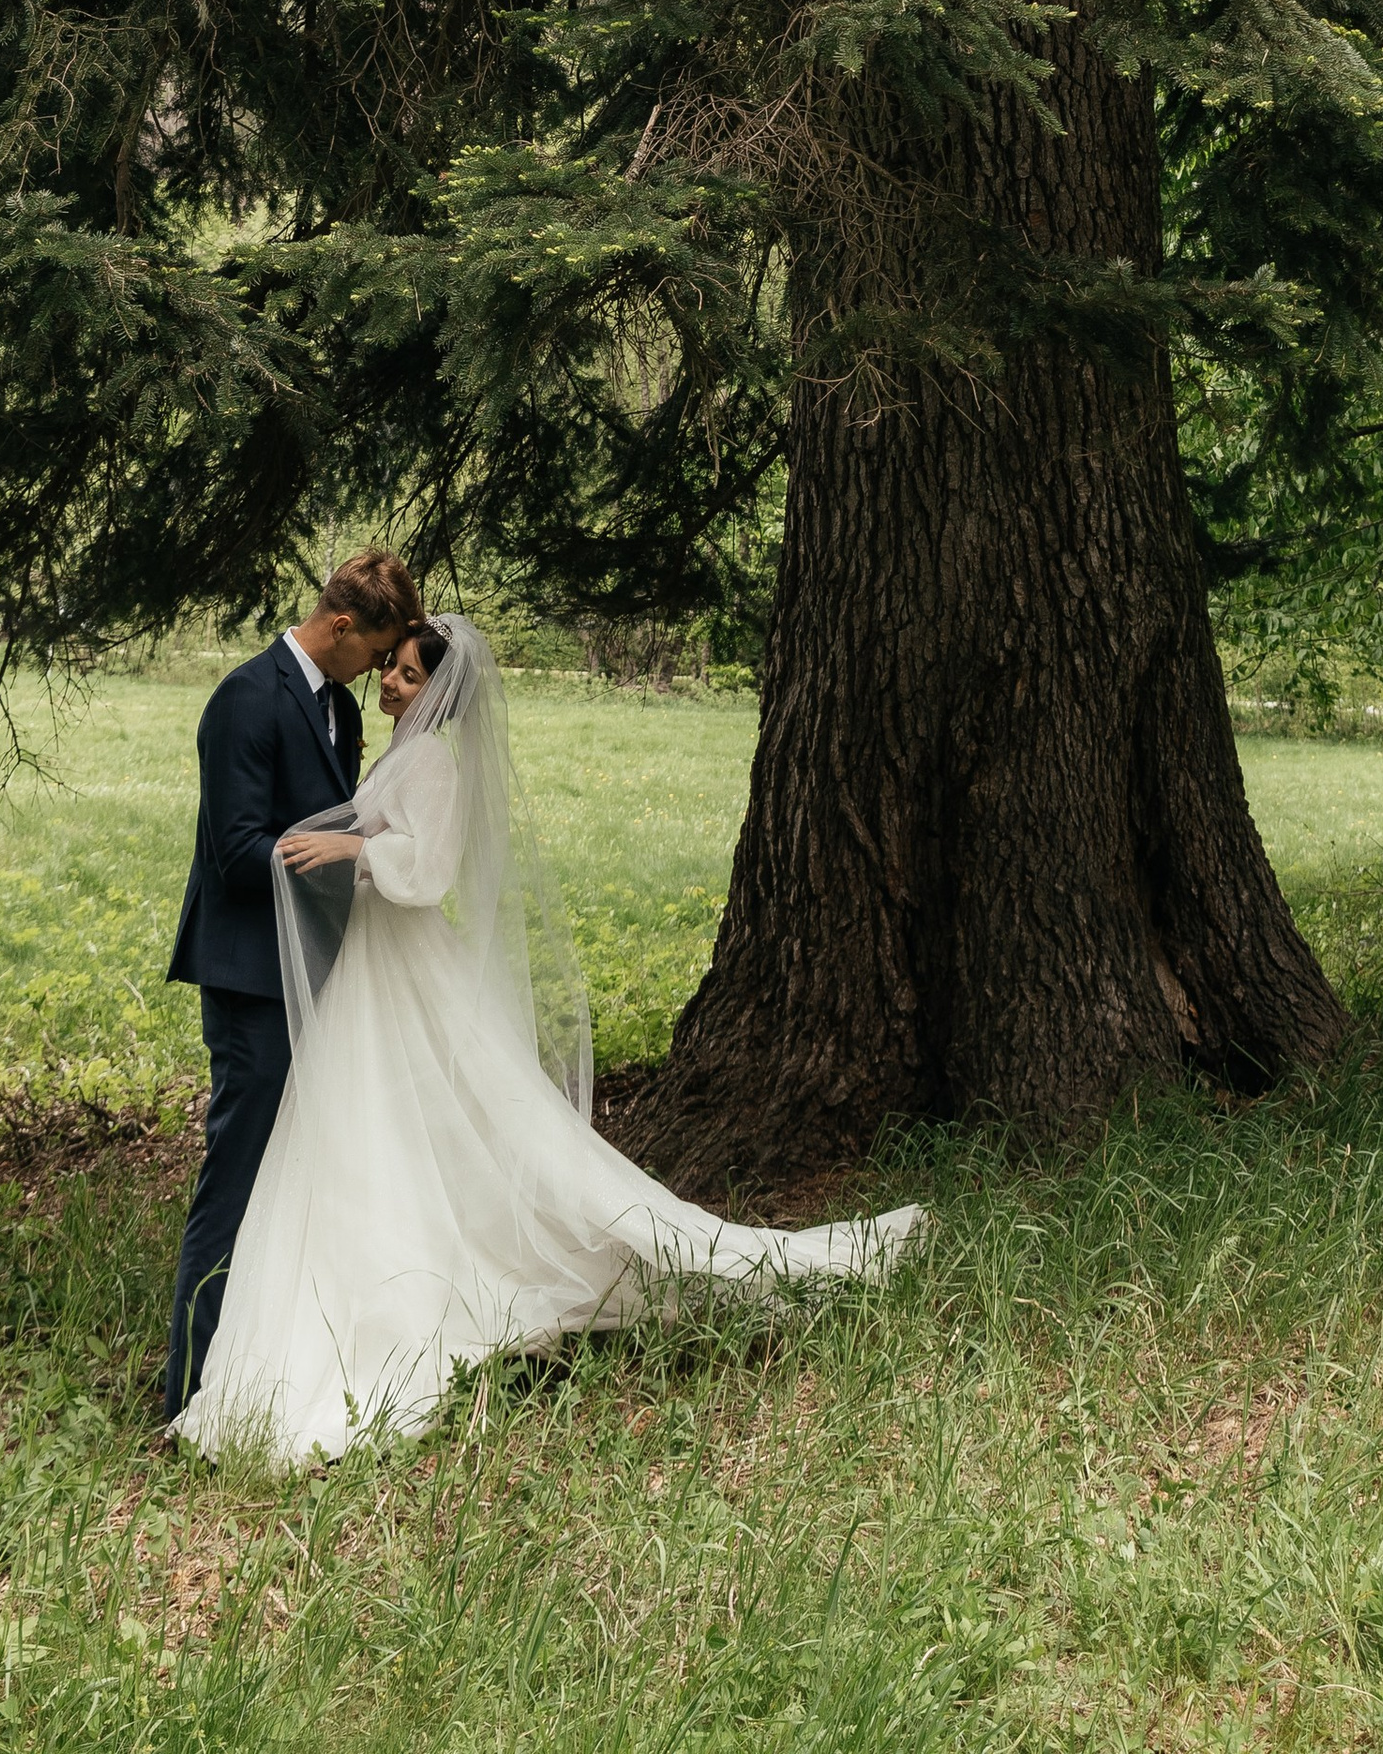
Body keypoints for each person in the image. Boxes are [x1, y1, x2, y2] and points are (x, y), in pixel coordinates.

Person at [173, 613, 921, 1467]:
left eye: (409, 675)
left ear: (439, 693)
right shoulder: (399, 751)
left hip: (394, 956)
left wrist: (356, 848)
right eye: (392, 669)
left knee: (406, 1119)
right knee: (373, 1125)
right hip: (370, 966)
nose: (388, 681)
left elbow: (429, 867)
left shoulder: (429, 763)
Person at [161, 550, 423, 1421]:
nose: (381, 671)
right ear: (341, 626)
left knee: (290, 1174)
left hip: (311, 971)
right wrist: (332, 860)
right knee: (237, 1170)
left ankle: (260, 1361)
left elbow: (337, 820)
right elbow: (234, 849)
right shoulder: (247, 696)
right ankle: (189, 1384)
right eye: (377, 651)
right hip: (248, 975)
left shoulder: (340, 712)